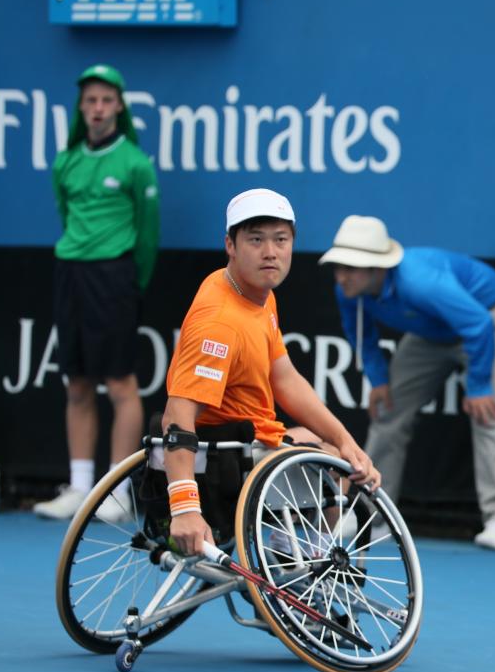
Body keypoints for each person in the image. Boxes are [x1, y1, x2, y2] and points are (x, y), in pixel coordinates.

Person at [161, 189, 378, 557]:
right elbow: (177, 415)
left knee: (328, 445)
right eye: (256, 239)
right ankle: (293, 566)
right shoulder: (220, 321)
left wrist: (346, 440)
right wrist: (184, 509)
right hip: (228, 458)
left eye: (281, 240)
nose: (270, 252)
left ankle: (286, 560)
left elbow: (285, 378)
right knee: (335, 468)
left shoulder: (254, 292)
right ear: (230, 244)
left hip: (248, 441)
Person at [320, 215, 495, 551]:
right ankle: (372, 516)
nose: (341, 275)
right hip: (432, 333)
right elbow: (361, 334)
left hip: (488, 319)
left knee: (487, 412)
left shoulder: (421, 282)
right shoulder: (348, 289)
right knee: (388, 412)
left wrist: (478, 385)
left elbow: (477, 324)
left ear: (377, 267)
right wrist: (378, 378)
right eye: (339, 266)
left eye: (351, 267)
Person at [35, 64, 160, 522]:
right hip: (71, 273)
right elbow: (66, 218)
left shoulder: (135, 163)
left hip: (115, 278)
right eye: (90, 100)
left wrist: (129, 281)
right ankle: (82, 487)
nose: (98, 108)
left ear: (119, 107)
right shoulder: (65, 163)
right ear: (81, 107)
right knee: (78, 383)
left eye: (106, 100)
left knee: (121, 384)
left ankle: (117, 491)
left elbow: (147, 236)